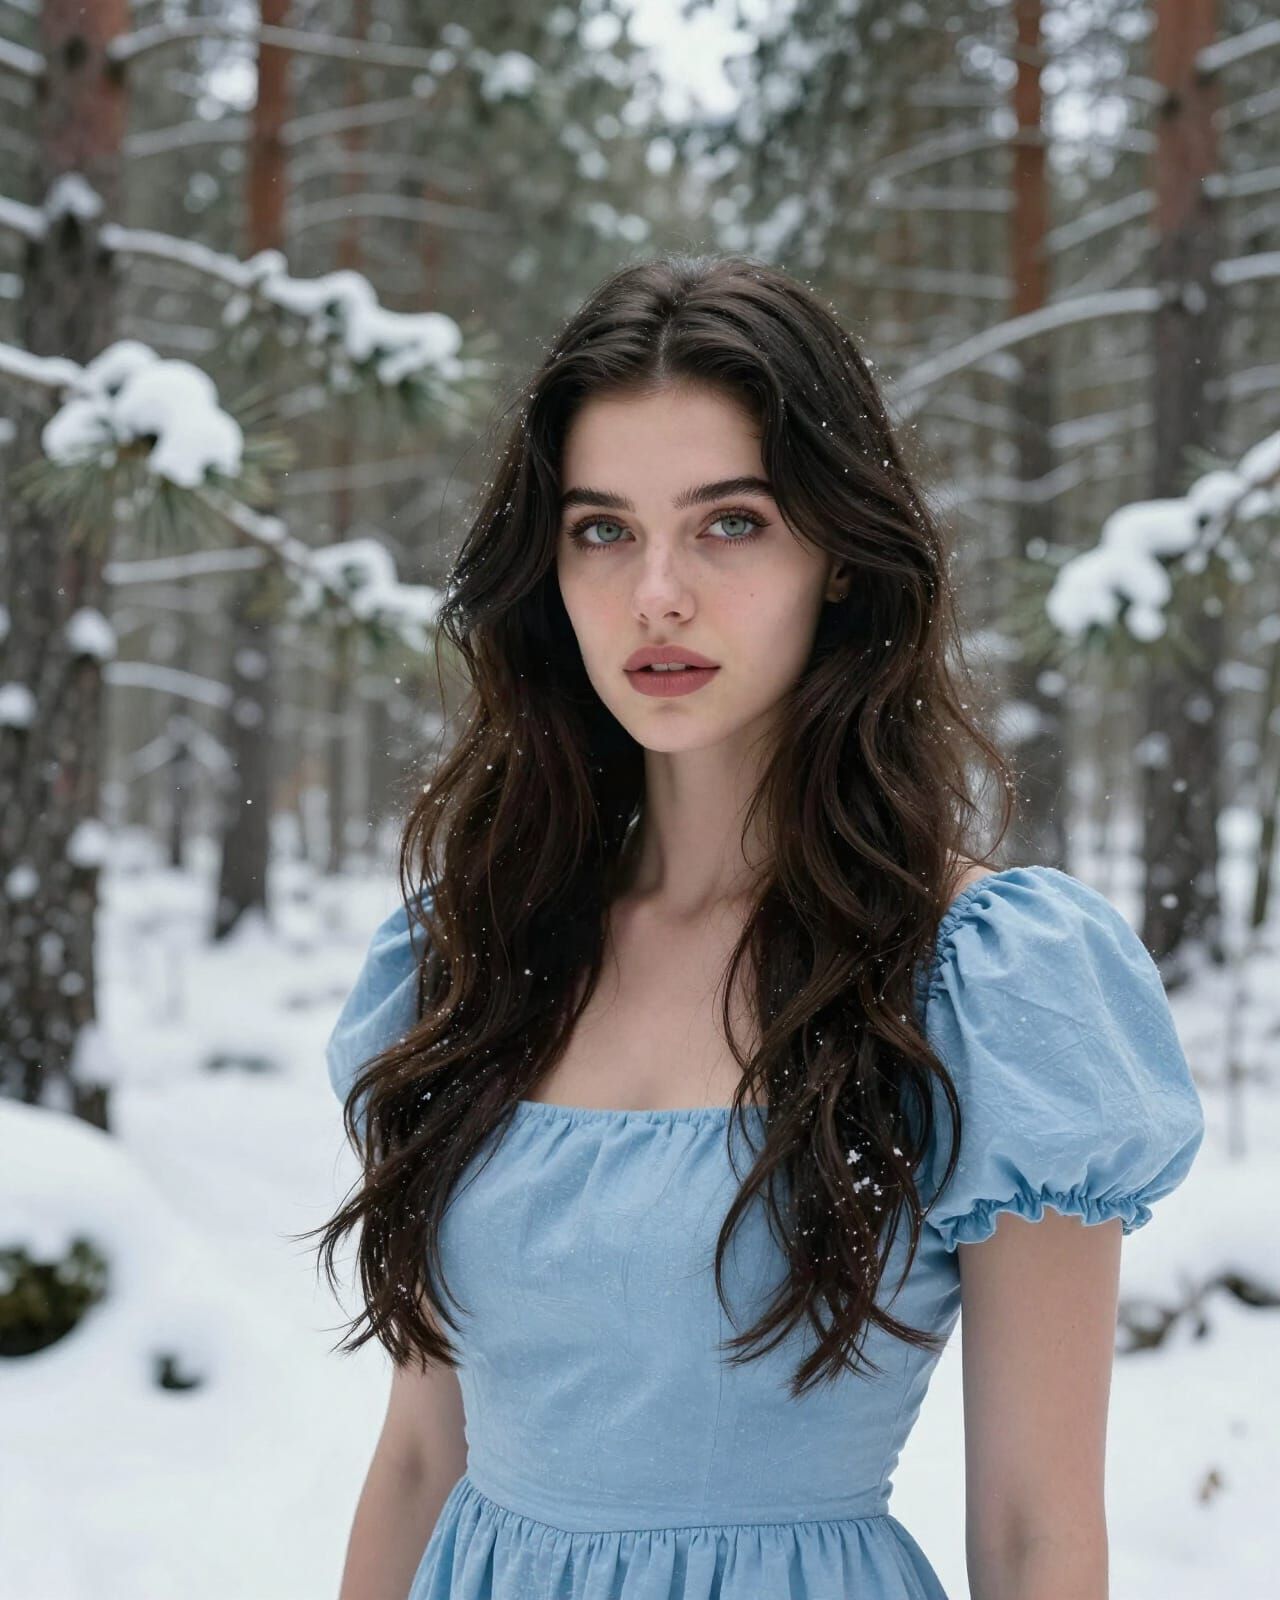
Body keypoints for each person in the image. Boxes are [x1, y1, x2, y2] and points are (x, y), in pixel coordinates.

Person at [304, 253, 1206, 1600]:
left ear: (840, 555)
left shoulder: (984, 982)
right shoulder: (474, 956)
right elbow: (424, 1459)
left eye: (731, 522)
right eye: (601, 528)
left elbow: (1033, 1530)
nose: (656, 593)